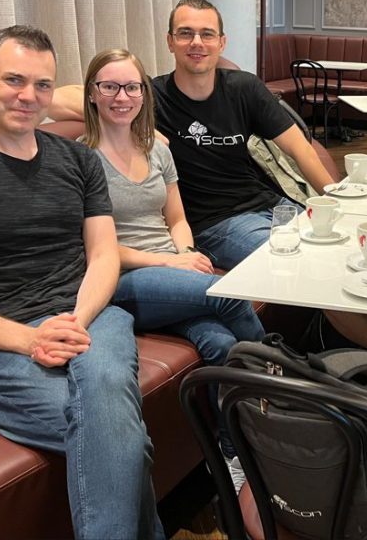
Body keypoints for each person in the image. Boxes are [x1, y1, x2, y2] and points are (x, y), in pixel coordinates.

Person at [0, 26, 164, 540]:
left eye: (42, 85)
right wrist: (30, 338)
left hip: (92, 317)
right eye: (14, 80)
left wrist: (77, 319)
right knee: (116, 433)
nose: (29, 96)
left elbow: (103, 254)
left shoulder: (78, 160)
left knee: (110, 423)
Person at [81, 48, 266, 489]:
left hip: (171, 272)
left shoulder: (157, 150)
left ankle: (231, 455)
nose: (121, 97)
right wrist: (170, 261)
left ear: (144, 94)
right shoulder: (80, 160)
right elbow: (95, 249)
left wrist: (186, 253)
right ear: (92, 93)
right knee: (229, 292)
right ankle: (279, 382)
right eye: (110, 86)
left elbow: (178, 219)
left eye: (132, 87)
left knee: (222, 345)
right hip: (122, 279)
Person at [53, 0, 333, 269]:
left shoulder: (244, 88)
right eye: (185, 33)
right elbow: (58, 99)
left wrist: (335, 200)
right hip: (215, 224)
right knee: (300, 262)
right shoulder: (150, 97)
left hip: (271, 204)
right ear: (170, 41)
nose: (196, 42)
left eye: (207, 34)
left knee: (334, 249)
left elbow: (301, 150)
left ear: (221, 42)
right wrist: (137, 119)